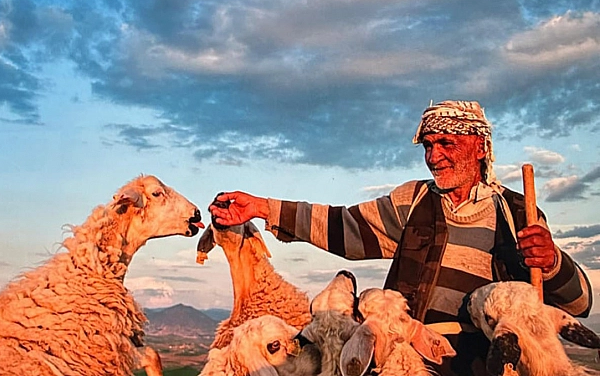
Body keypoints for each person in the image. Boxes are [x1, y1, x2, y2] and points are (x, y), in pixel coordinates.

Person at [208, 100, 592, 376]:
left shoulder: (517, 212)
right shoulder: (415, 201)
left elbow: (579, 301)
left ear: (479, 147)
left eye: (446, 143)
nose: (434, 155)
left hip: (486, 365)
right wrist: (262, 207)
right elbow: (343, 226)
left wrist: (553, 261)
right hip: (405, 361)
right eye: (428, 145)